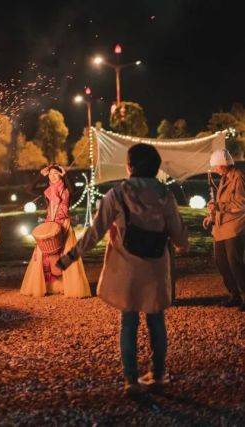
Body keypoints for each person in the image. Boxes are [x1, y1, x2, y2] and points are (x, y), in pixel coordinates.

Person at [57, 144, 188, 396]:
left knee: (128, 322)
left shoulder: (116, 194)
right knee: (156, 321)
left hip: (126, 270)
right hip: (156, 269)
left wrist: (70, 256)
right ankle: (158, 374)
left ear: (130, 166)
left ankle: (131, 380)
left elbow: (94, 232)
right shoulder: (164, 194)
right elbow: (178, 231)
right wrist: (183, 244)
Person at [20, 164, 90, 298]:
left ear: (60, 175)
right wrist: (41, 176)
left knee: (66, 255)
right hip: (50, 226)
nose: (52, 176)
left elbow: (74, 189)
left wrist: (66, 175)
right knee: (44, 256)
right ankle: (49, 286)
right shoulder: (47, 191)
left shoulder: (67, 190)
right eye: (50, 174)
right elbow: (29, 189)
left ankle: (69, 286)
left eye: (55, 173)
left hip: (64, 225)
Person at [203, 149, 245, 310]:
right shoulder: (224, 178)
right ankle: (234, 295)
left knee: (235, 262)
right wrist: (212, 216)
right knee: (222, 262)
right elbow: (222, 203)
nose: (214, 170)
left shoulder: (238, 177)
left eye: (215, 166)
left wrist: (219, 206)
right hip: (221, 227)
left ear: (223, 164)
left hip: (235, 226)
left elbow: (241, 203)